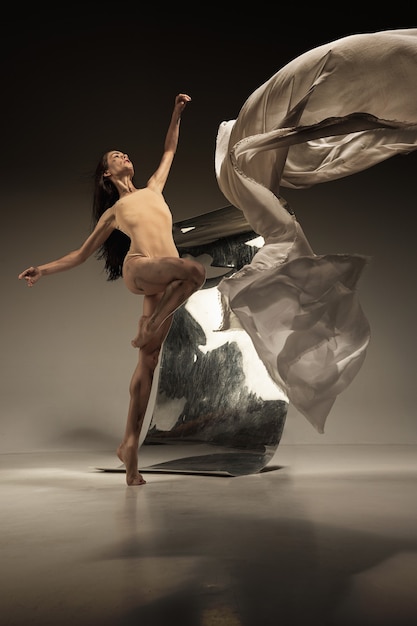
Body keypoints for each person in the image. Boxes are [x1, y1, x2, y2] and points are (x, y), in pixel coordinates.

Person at [18, 93, 206, 486]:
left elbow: (170, 148)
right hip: (138, 269)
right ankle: (150, 323)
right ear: (107, 174)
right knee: (193, 271)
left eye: (124, 153)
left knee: (148, 364)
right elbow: (81, 254)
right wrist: (43, 270)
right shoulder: (114, 212)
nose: (123, 156)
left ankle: (129, 448)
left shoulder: (153, 190)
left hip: (162, 285)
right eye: (115, 156)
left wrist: (175, 112)